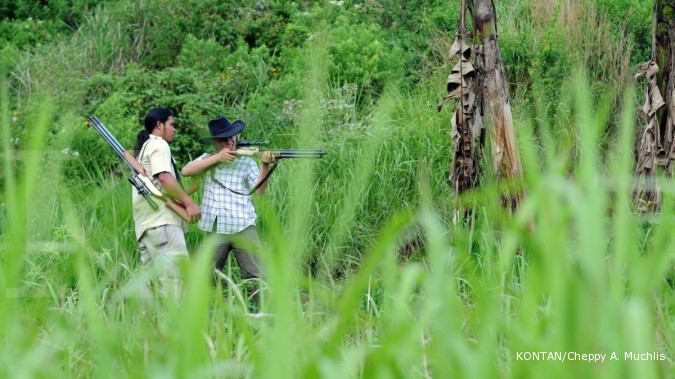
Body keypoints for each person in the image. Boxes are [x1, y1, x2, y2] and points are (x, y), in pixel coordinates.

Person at [181, 116, 276, 307]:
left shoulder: (247, 162)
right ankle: (210, 315)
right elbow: (186, 171)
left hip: (243, 225)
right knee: (207, 274)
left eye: (231, 137)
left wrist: (265, 165)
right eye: (224, 139)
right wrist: (218, 157)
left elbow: (260, 191)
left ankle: (260, 316)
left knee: (257, 274)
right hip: (216, 227)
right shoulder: (208, 160)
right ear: (215, 143)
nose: (229, 141)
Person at [132, 107, 201, 297]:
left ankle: (146, 326)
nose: (174, 129)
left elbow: (161, 189)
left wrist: (190, 190)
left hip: (147, 227)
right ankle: (177, 326)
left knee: (149, 288)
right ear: (159, 125)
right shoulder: (159, 145)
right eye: (172, 124)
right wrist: (189, 203)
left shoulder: (145, 148)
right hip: (163, 223)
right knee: (175, 282)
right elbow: (164, 178)